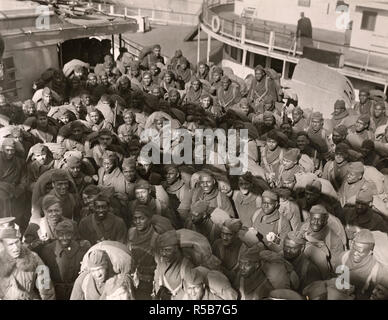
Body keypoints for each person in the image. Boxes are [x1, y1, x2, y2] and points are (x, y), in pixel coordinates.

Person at [0, 219, 56, 300]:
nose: (15, 248)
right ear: (2, 245)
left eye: (17, 242)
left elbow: (47, 288)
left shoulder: (33, 257)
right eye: (10, 244)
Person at [39, 220, 91, 300]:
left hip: (76, 292)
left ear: (73, 235)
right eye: (61, 234)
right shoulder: (47, 251)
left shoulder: (82, 250)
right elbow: (43, 277)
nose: (64, 238)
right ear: (56, 234)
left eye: (68, 234)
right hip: (55, 294)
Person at [334, 229, 388, 300]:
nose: (355, 253)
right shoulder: (343, 257)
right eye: (354, 249)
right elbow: (336, 279)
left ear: (369, 252)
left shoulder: (377, 271)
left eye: (360, 252)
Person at [300, 204, 345, 278]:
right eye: (313, 219)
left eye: (319, 220)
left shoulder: (334, 240)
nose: (315, 222)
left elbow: (336, 266)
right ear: (309, 219)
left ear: (324, 221)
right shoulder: (305, 228)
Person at [127, 206, 161, 300]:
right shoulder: (131, 232)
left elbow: (160, 265)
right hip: (132, 276)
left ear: (149, 219)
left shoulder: (156, 238)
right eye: (135, 218)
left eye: (142, 218)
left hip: (148, 280)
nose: (138, 222)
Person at [153, 230, 194, 300]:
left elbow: (192, 294)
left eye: (167, 250)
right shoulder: (161, 261)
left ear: (176, 249)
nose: (163, 254)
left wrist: (172, 297)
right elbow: (156, 280)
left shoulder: (186, 266)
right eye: (162, 250)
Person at [0, 138, 29, 230]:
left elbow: (24, 179)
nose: (10, 152)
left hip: (16, 189)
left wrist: (19, 189)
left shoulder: (20, 162)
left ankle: (17, 228)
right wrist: (6, 187)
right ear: (2, 149)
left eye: (12, 150)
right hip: (2, 188)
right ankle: (4, 228)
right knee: (3, 198)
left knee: (21, 200)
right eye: (7, 150)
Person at [212, 219, 247, 284]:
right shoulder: (217, 244)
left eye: (229, 234)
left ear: (236, 235)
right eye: (222, 233)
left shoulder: (243, 249)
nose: (224, 237)